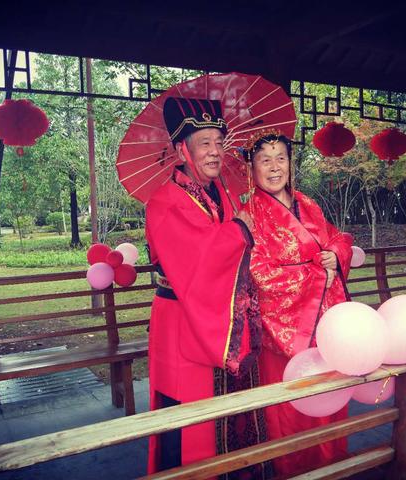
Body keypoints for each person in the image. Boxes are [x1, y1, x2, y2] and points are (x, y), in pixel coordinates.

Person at [145, 97, 270, 478]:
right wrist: (239, 229)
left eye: (219, 142)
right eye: (205, 143)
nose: (216, 151)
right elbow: (198, 258)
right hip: (181, 322)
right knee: (187, 414)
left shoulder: (224, 195)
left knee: (230, 411)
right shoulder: (164, 202)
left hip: (223, 319)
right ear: (181, 150)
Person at [241, 128, 353, 476]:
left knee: (331, 394)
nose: (275, 167)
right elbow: (258, 272)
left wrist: (335, 254)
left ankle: (333, 465)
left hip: (326, 323)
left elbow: (338, 237)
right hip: (285, 331)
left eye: (281, 158)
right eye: (265, 160)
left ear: (291, 163)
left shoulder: (308, 204)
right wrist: (317, 276)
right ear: (252, 168)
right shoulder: (249, 214)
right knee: (291, 406)